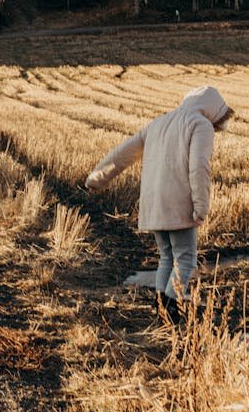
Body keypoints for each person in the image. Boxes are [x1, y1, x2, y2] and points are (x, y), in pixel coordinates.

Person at [84, 86, 234, 320]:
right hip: (179, 203)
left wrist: (96, 178)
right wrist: (201, 205)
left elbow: (122, 154)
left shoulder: (158, 123)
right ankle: (172, 311)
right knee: (185, 259)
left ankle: (161, 307)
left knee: (166, 257)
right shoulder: (200, 125)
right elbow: (199, 168)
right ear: (213, 109)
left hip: (153, 203)